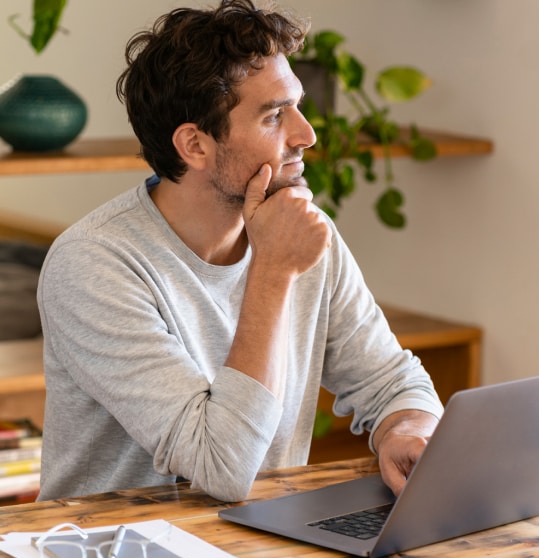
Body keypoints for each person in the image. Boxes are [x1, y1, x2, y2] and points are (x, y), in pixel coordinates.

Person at [36, 0, 443, 503]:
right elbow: (220, 468)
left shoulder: (303, 235)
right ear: (195, 146)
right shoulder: (94, 263)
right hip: (117, 549)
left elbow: (393, 382)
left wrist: (405, 430)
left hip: (259, 540)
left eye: (297, 106)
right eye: (275, 116)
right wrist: (273, 271)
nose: (306, 135)